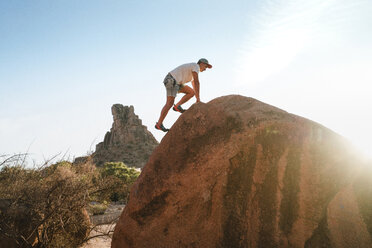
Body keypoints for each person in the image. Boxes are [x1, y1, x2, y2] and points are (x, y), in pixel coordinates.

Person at [155, 58, 212, 132]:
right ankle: (159, 124)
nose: (205, 69)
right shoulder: (196, 66)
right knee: (169, 103)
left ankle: (177, 107)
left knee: (191, 92)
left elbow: (194, 84)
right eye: (205, 66)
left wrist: (197, 98)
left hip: (177, 82)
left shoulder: (193, 70)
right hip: (171, 80)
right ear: (201, 63)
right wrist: (198, 99)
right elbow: (197, 82)